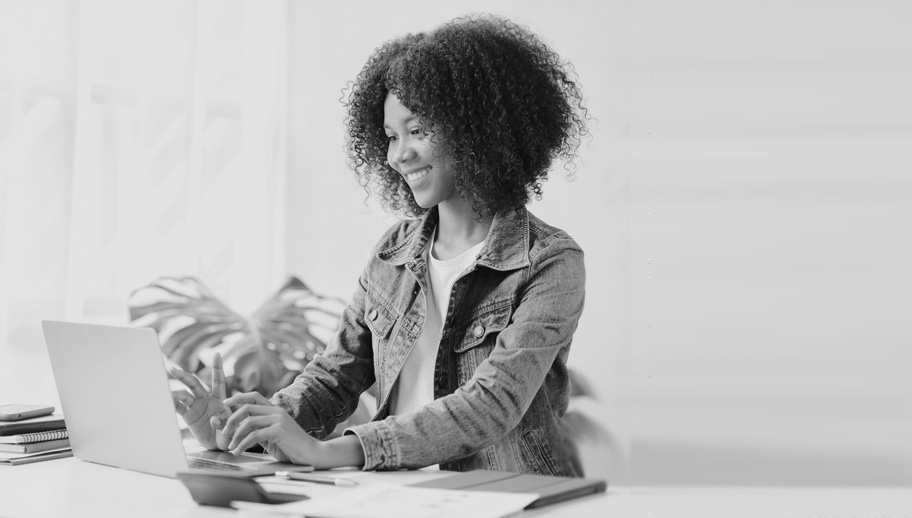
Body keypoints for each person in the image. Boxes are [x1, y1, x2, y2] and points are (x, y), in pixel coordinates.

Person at [170, 13, 589, 476]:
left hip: (506, 499)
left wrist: (333, 452)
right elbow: (334, 377)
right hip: (397, 494)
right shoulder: (394, 252)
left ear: (480, 130)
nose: (398, 154)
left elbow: (490, 405)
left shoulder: (549, 263)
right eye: (390, 136)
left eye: (417, 130)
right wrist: (241, 430)